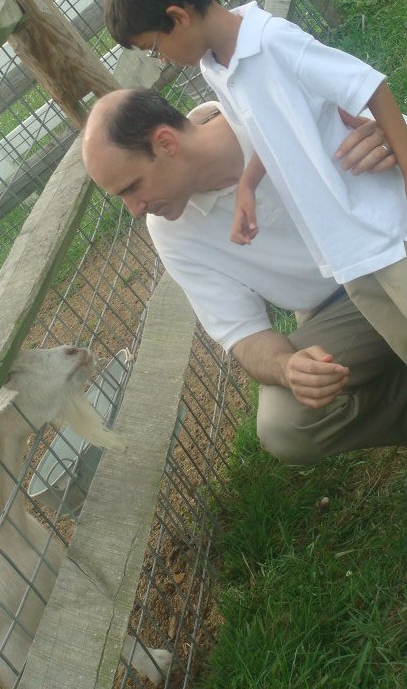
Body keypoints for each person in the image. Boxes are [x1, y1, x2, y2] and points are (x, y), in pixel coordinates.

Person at [102, 0, 407, 362]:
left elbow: (368, 84)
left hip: (382, 230)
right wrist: (248, 185)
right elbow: (261, 132)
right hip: (342, 249)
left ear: (177, 17)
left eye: (154, 47)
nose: (162, 59)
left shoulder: (271, 41)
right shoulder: (216, 67)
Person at [82, 88, 407, 464]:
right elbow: (243, 335)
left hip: (393, 253)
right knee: (284, 423)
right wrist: (288, 368)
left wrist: (392, 141)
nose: (134, 211)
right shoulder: (169, 230)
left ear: (166, 143)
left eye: (132, 187)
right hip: (338, 310)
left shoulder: (268, 103)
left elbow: (388, 126)